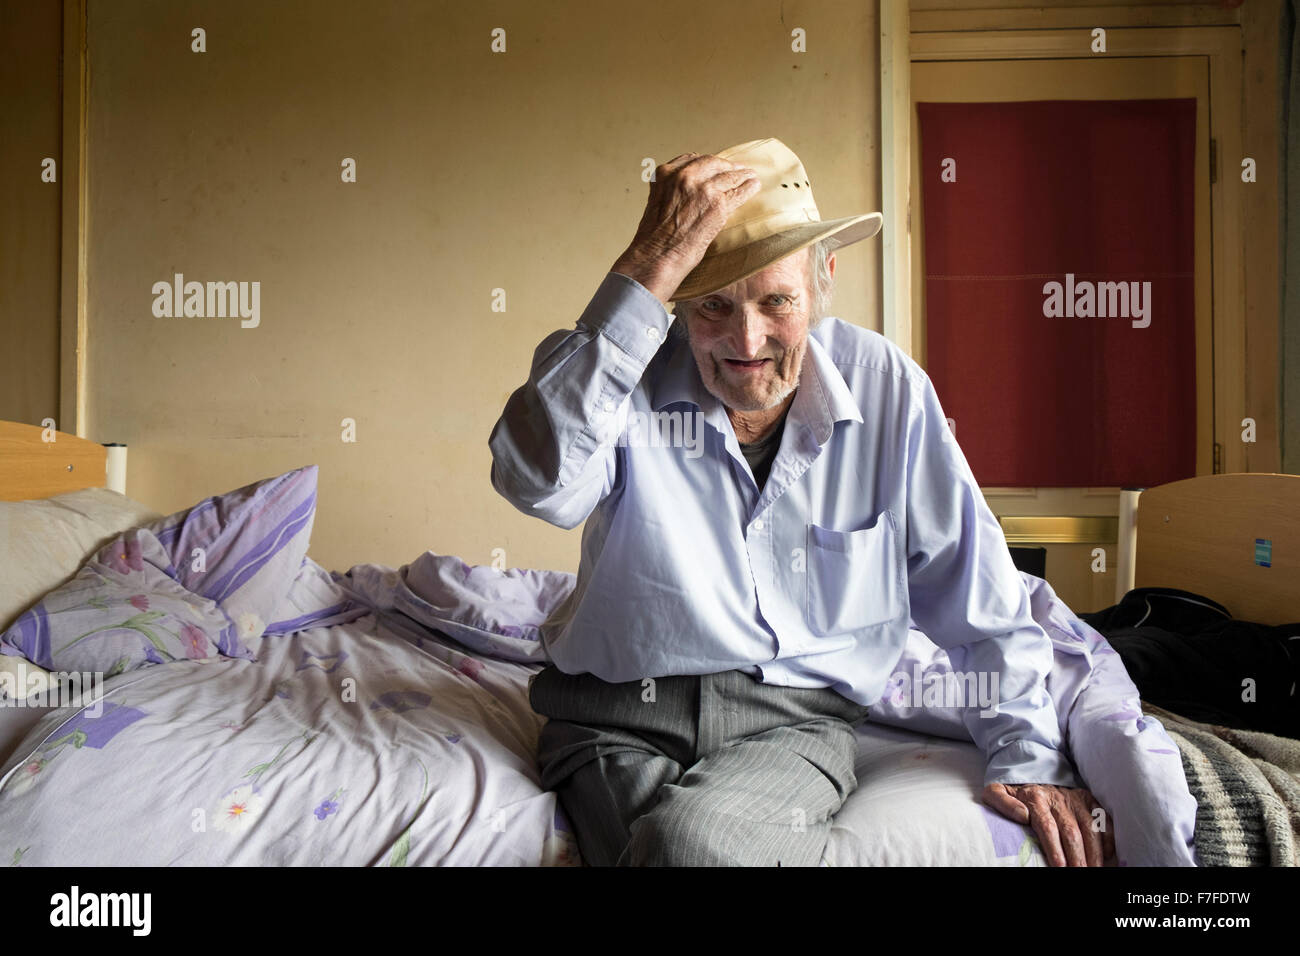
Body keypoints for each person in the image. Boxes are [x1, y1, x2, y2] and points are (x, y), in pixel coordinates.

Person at [489, 137, 1114, 867]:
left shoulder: (887, 387)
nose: (745, 341)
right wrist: (646, 269)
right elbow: (536, 479)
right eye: (712, 307)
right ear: (678, 303)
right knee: (672, 853)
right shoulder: (623, 374)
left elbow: (974, 589)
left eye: (776, 302)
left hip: (789, 725)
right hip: (615, 714)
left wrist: (1028, 751)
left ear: (822, 283)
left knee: (685, 848)